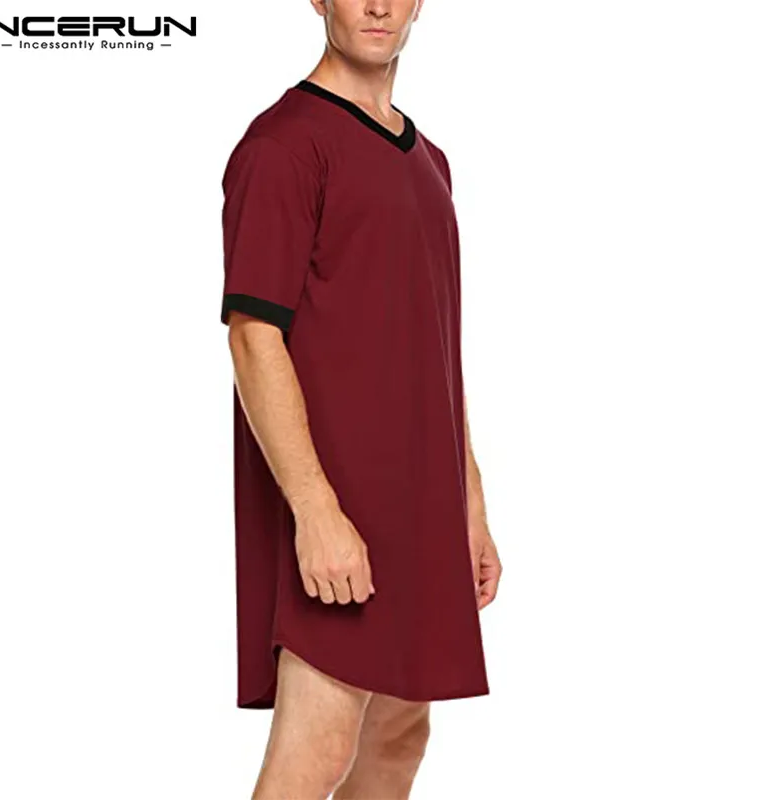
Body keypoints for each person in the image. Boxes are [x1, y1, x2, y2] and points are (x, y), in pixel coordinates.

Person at [220, 1, 502, 797]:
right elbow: (253, 338)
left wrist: (469, 502)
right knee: (319, 745)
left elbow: (432, 348)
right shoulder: (283, 146)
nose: (377, 5)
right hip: (338, 501)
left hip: (418, 500)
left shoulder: (429, 159)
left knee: (401, 735)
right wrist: (315, 512)